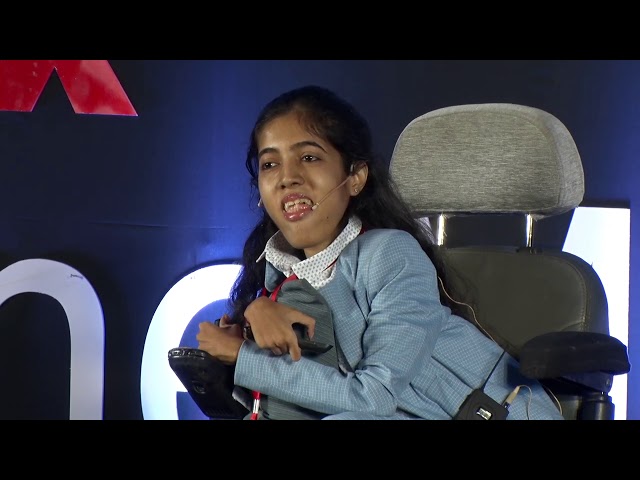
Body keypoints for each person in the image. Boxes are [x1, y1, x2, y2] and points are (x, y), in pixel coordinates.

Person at [195, 84, 564, 420]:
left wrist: (245, 358)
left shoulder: (391, 255)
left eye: (308, 157)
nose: (287, 177)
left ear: (355, 177)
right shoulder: (277, 276)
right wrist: (250, 325)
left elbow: (372, 398)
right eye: (270, 164)